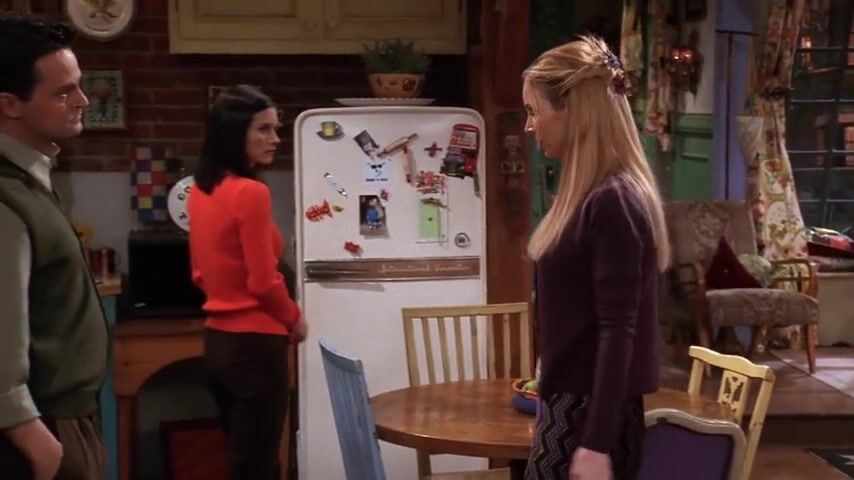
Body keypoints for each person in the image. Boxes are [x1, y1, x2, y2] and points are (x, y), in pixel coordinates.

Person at [521, 36, 671, 480]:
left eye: (534, 111)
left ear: (571, 108)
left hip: (588, 416)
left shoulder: (612, 201)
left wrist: (594, 444)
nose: (529, 126)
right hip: (569, 404)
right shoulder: (585, 195)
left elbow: (617, 330)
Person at [0, 14, 107, 480]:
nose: (82, 101)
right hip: (41, 426)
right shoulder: (6, 198)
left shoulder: (30, 181)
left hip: (64, 418)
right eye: (64, 92)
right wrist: (34, 438)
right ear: (11, 104)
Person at [188, 84, 306, 480]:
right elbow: (263, 282)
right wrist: (294, 318)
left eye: (276, 129)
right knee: (258, 467)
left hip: (218, 344)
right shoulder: (251, 193)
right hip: (256, 347)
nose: (275, 139)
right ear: (235, 133)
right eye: (263, 129)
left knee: (247, 463)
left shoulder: (200, 189)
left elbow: (198, 273)